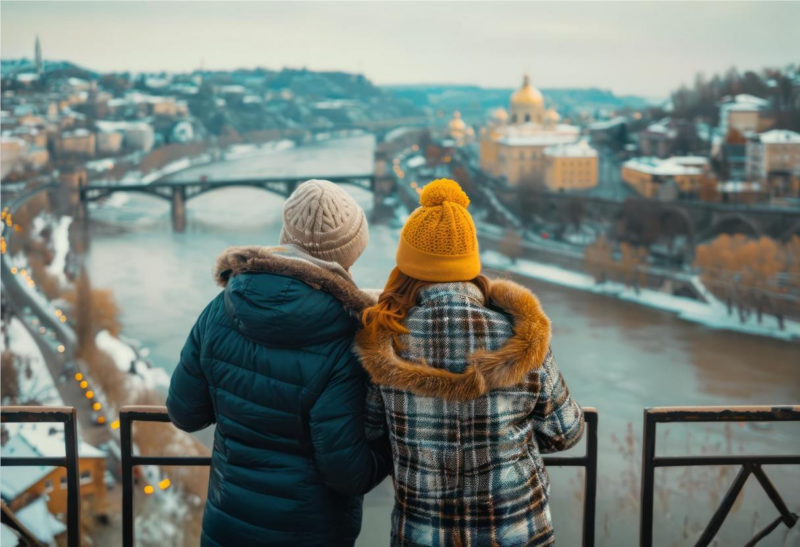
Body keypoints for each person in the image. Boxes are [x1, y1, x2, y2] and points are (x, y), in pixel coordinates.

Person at [357, 179, 584, 547]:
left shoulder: (385, 341)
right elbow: (565, 432)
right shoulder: (522, 335)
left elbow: (369, 433)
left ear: (407, 266)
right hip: (517, 534)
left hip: (422, 536)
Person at [167, 179, 391, 547]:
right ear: (353, 251)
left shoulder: (220, 309)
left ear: (285, 234)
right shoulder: (348, 339)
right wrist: (389, 449)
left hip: (228, 525)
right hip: (309, 532)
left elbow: (185, 413)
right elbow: (346, 473)